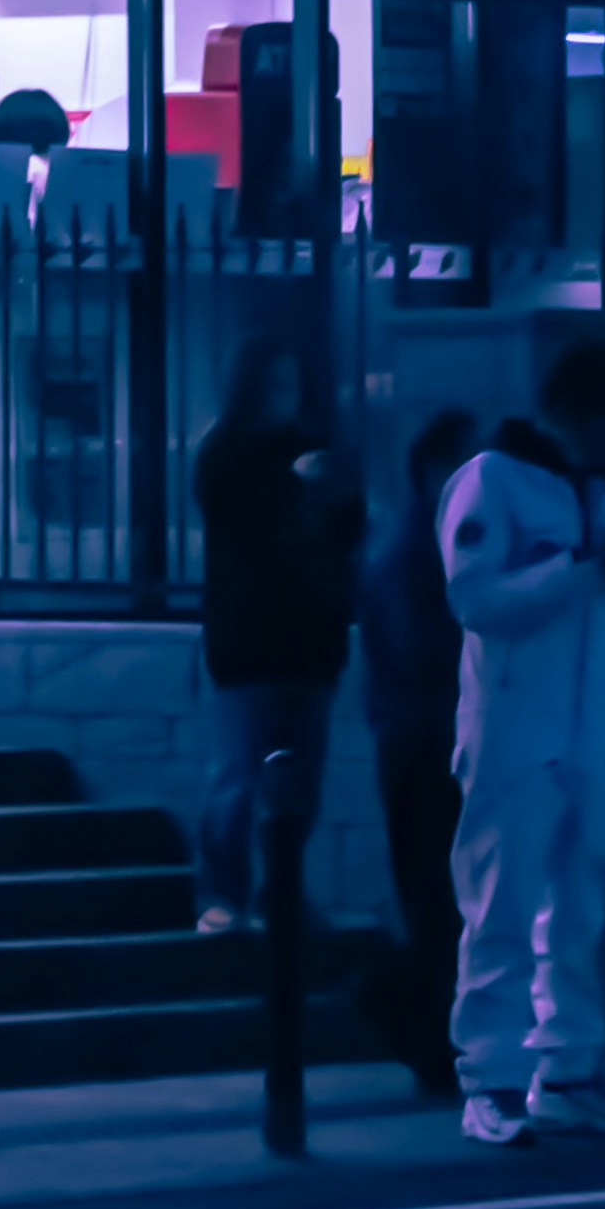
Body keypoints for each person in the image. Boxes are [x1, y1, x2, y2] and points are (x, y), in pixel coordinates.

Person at [437, 338, 605, 1147]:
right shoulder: (492, 481)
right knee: (501, 908)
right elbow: (473, 599)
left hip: (586, 733)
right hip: (512, 734)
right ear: (575, 415)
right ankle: (490, 1082)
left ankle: (567, 1073)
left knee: (578, 910)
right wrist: (582, 568)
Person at [189, 341, 358, 936]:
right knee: (237, 776)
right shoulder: (224, 454)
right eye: (275, 384)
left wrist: (328, 491)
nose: (285, 396)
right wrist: (300, 490)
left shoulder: (310, 448)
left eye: (292, 382)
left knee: (299, 784)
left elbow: (348, 530)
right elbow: (245, 526)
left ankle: (279, 894)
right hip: (248, 644)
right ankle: (221, 892)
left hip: (310, 643)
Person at [354, 406, 480, 1097]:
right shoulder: (413, 556)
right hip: (424, 744)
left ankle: (430, 1033)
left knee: (442, 898)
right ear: (435, 472)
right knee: (437, 897)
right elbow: (423, 658)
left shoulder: (425, 548)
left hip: (428, 741)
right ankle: (419, 1027)